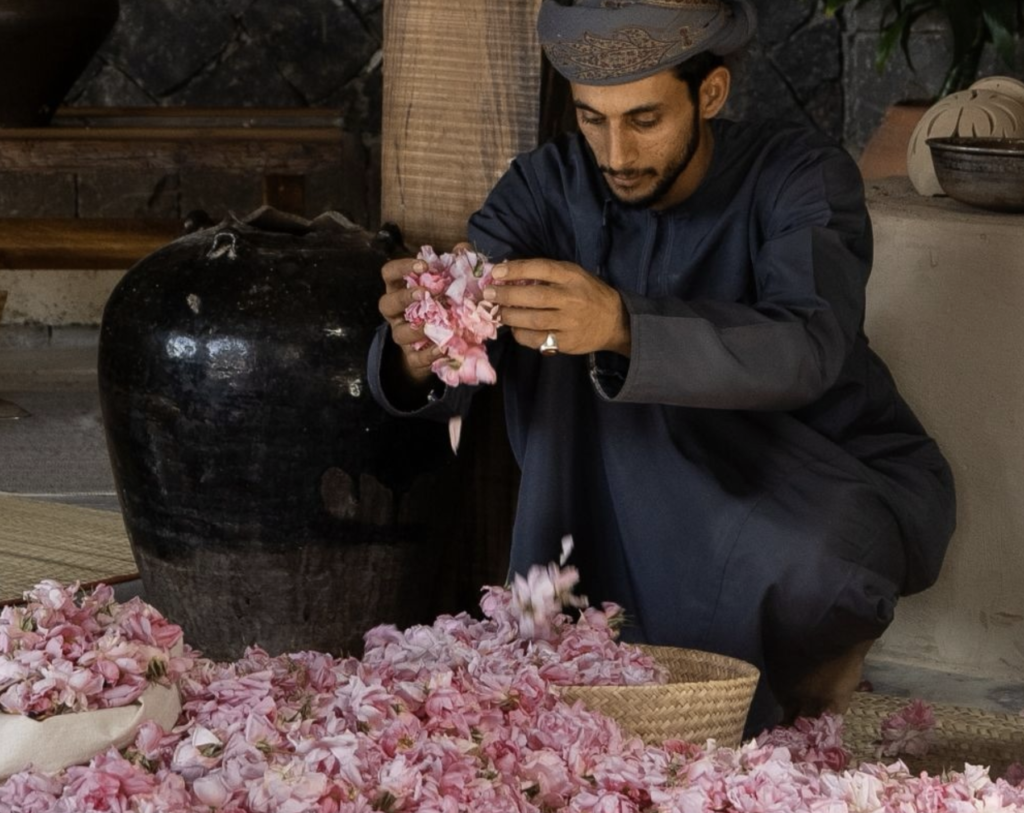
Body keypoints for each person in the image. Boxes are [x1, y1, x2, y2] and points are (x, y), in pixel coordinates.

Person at [368, 0, 956, 734]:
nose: (614, 153)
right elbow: (460, 335)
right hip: (609, 488)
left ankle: (803, 672)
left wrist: (620, 324)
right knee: (542, 331)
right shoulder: (547, 186)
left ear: (709, 94)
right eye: (591, 119)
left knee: (826, 570)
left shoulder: (798, 176)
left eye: (644, 119)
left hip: (802, 463)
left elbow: (808, 344)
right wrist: (420, 343)